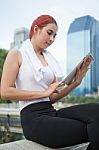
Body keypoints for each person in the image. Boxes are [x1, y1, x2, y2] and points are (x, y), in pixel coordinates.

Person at [1, 15, 99, 150]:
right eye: (49, 33)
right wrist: (43, 93)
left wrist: (76, 82)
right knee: (93, 128)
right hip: (33, 120)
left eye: (55, 36)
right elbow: (5, 92)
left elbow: (51, 98)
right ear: (36, 29)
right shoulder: (16, 54)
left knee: (96, 111)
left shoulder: (49, 60)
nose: (52, 39)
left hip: (50, 111)